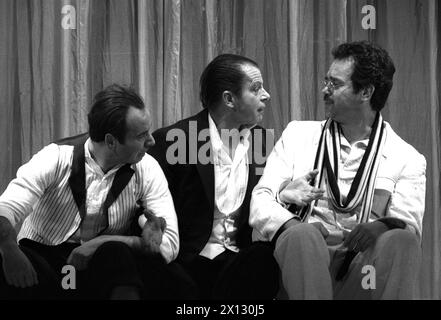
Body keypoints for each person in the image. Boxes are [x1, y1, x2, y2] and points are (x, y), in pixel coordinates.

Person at [250, 41, 426, 300]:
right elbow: (261, 199)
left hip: (363, 268)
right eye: (326, 81)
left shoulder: (406, 157)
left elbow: (408, 224)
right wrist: (292, 222)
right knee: (301, 235)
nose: (325, 90)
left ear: (365, 92)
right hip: (304, 262)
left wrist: (381, 227)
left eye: (335, 84)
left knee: (402, 241)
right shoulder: (299, 134)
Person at [0, 84, 189, 300]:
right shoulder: (55, 158)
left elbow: (170, 244)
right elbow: (6, 208)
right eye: (141, 135)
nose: (152, 141)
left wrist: (103, 243)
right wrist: (8, 247)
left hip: (100, 264)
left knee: (121, 257)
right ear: (111, 141)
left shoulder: (147, 167)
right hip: (45, 259)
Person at [148, 54, 279, 299]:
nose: (266, 95)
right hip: (186, 259)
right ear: (229, 99)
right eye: (256, 88)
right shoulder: (174, 140)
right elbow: (147, 204)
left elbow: (267, 201)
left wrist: (286, 191)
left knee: (263, 259)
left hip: (237, 259)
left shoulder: (262, 142)